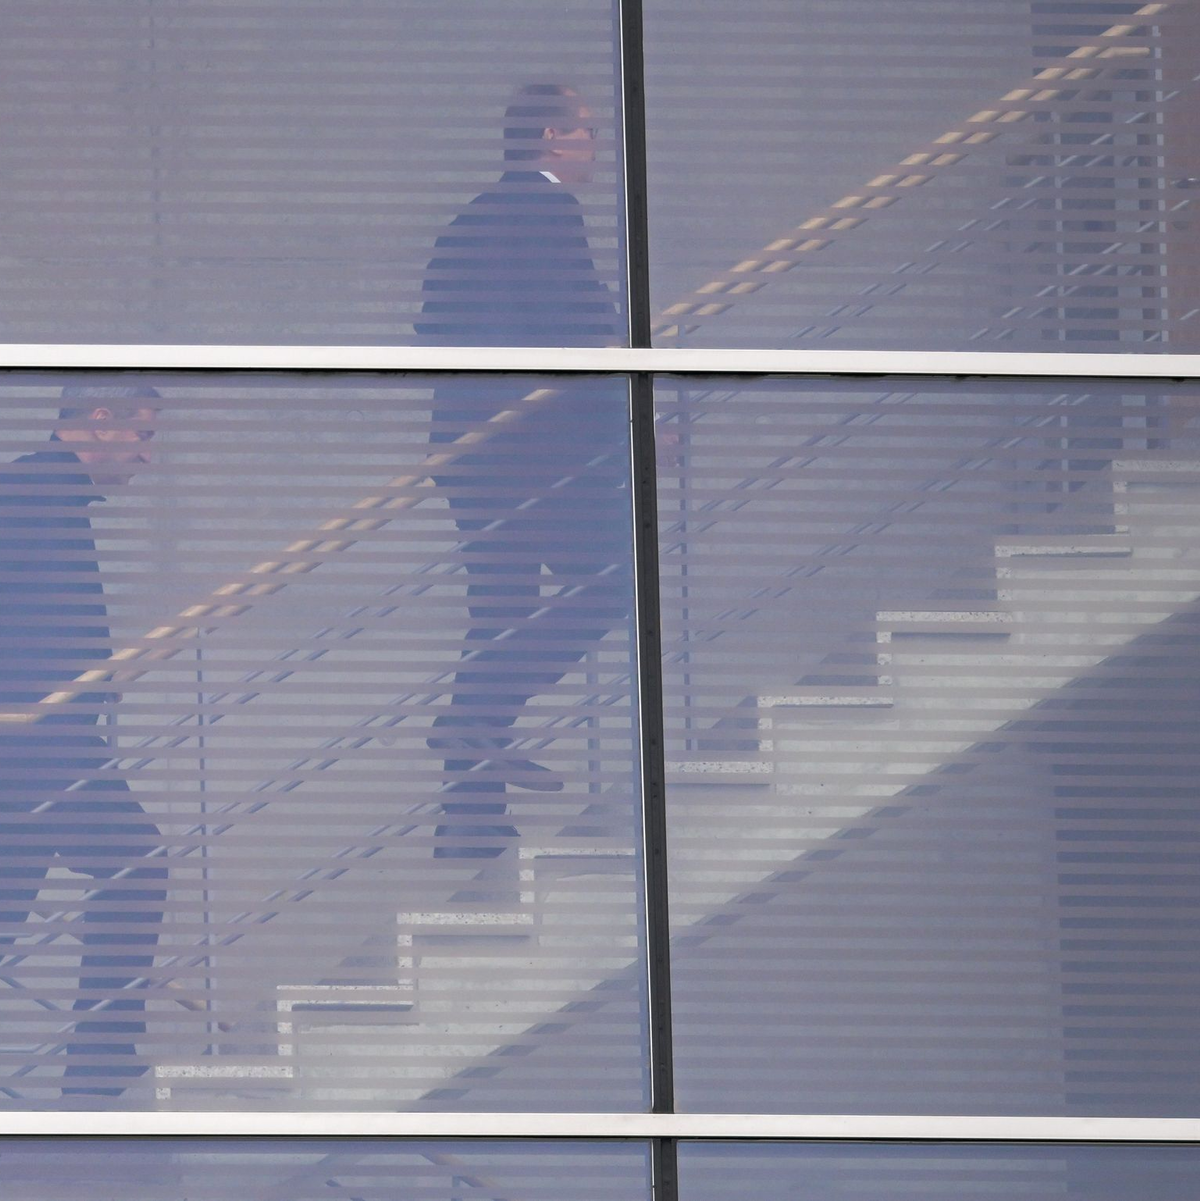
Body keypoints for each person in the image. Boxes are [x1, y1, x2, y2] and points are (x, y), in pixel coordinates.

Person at [416, 85, 629, 861]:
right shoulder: (547, 214)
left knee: (498, 615)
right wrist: (628, 424)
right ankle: (475, 719)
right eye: (586, 132)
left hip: (474, 450)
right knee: (610, 582)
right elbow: (573, 336)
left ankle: (469, 821)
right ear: (551, 135)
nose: (596, 148)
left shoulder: (469, 221)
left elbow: (437, 328)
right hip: (531, 452)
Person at [0, 385, 165, 1099]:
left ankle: (100, 1056)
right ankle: (99, 1057)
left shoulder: (43, 495)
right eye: (143, 433)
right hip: (41, 739)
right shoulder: (32, 496)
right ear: (101, 421)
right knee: (135, 864)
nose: (147, 453)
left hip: (39, 735)